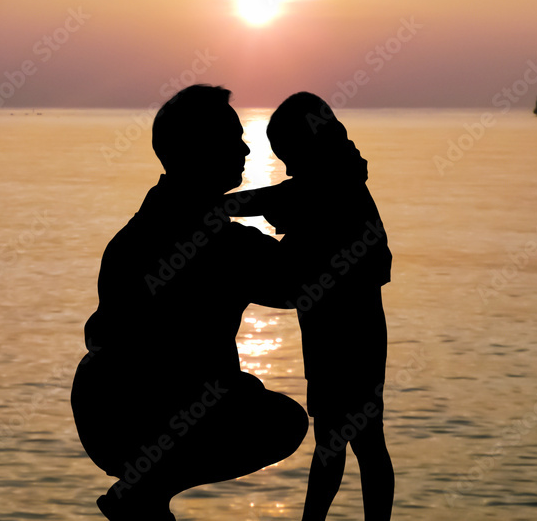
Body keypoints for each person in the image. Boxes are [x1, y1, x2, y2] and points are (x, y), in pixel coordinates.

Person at [71, 84, 308, 521]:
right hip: (144, 415)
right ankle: (146, 488)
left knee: (237, 394)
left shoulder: (142, 227)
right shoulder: (216, 241)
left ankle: (146, 492)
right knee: (284, 420)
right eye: (232, 138)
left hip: (100, 407)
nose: (244, 149)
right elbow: (298, 283)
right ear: (200, 148)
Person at [227, 92, 394, 521]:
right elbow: (282, 200)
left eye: (289, 156)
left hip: (346, 332)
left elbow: (274, 201)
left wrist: (215, 207)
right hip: (340, 329)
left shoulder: (333, 187)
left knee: (354, 440)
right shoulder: (342, 182)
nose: (286, 166)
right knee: (344, 439)